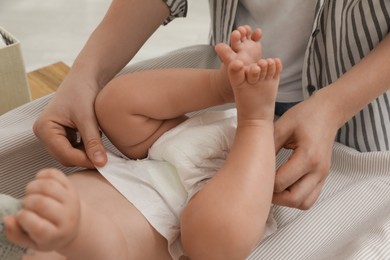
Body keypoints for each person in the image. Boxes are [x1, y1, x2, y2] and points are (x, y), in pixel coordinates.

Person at [32, 0, 390, 212]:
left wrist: (332, 106)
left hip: (355, 111)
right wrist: (86, 74)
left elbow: (214, 243)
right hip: (225, 89)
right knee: (109, 104)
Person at [4, 26, 282, 260]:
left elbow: (217, 243)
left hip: (137, 181)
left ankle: (226, 91)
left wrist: (249, 113)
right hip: (220, 191)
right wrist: (78, 232)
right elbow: (112, 250)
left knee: (115, 104)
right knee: (214, 238)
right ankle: (249, 113)